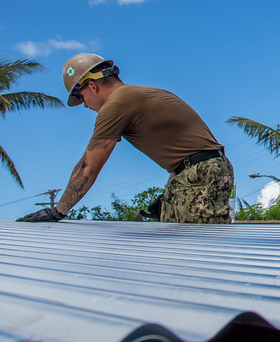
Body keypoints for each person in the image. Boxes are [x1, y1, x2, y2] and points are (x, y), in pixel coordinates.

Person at [17, 53, 234, 223]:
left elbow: (89, 166)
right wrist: (173, 194)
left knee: (197, 251)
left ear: (92, 86)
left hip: (200, 174)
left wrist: (58, 211)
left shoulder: (115, 105)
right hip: (194, 173)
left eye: (82, 97)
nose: (84, 104)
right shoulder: (135, 94)